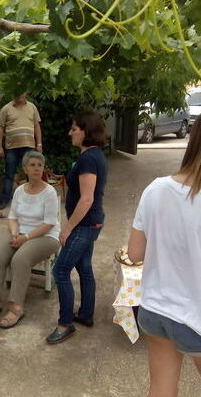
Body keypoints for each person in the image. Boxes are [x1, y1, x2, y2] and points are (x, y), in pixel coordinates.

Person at [127, 115, 201, 397]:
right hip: (195, 317)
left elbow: (134, 254)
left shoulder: (156, 189)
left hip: (155, 310)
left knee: (160, 390)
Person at [0, 151, 60, 328]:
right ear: (25, 169)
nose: (37, 168)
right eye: (32, 165)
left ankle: (16, 307)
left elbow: (49, 224)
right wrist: (15, 234)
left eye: (40, 165)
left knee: (20, 259)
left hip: (46, 236)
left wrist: (25, 238)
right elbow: (13, 217)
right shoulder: (20, 191)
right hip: (21, 233)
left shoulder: (49, 192)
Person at [46, 110, 107, 344]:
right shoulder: (92, 156)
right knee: (84, 268)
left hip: (83, 225)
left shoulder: (89, 159)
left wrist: (67, 227)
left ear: (86, 131)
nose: (70, 132)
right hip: (90, 223)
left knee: (60, 271)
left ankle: (65, 323)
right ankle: (86, 315)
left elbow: (87, 198)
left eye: (74, 128)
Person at [0, 92, 42, 209]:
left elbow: (37, 126)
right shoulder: (6, 109)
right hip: (11, 147)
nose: (19, 96)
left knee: (31, 173)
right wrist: (0, 147)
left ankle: (33, 199)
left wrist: (39, 144)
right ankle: (5, 200)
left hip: (29, 145)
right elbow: (0, 128)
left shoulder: (32, 107)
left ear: (26, 93)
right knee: (9, 174)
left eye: (21, 93)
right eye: (17, 93)